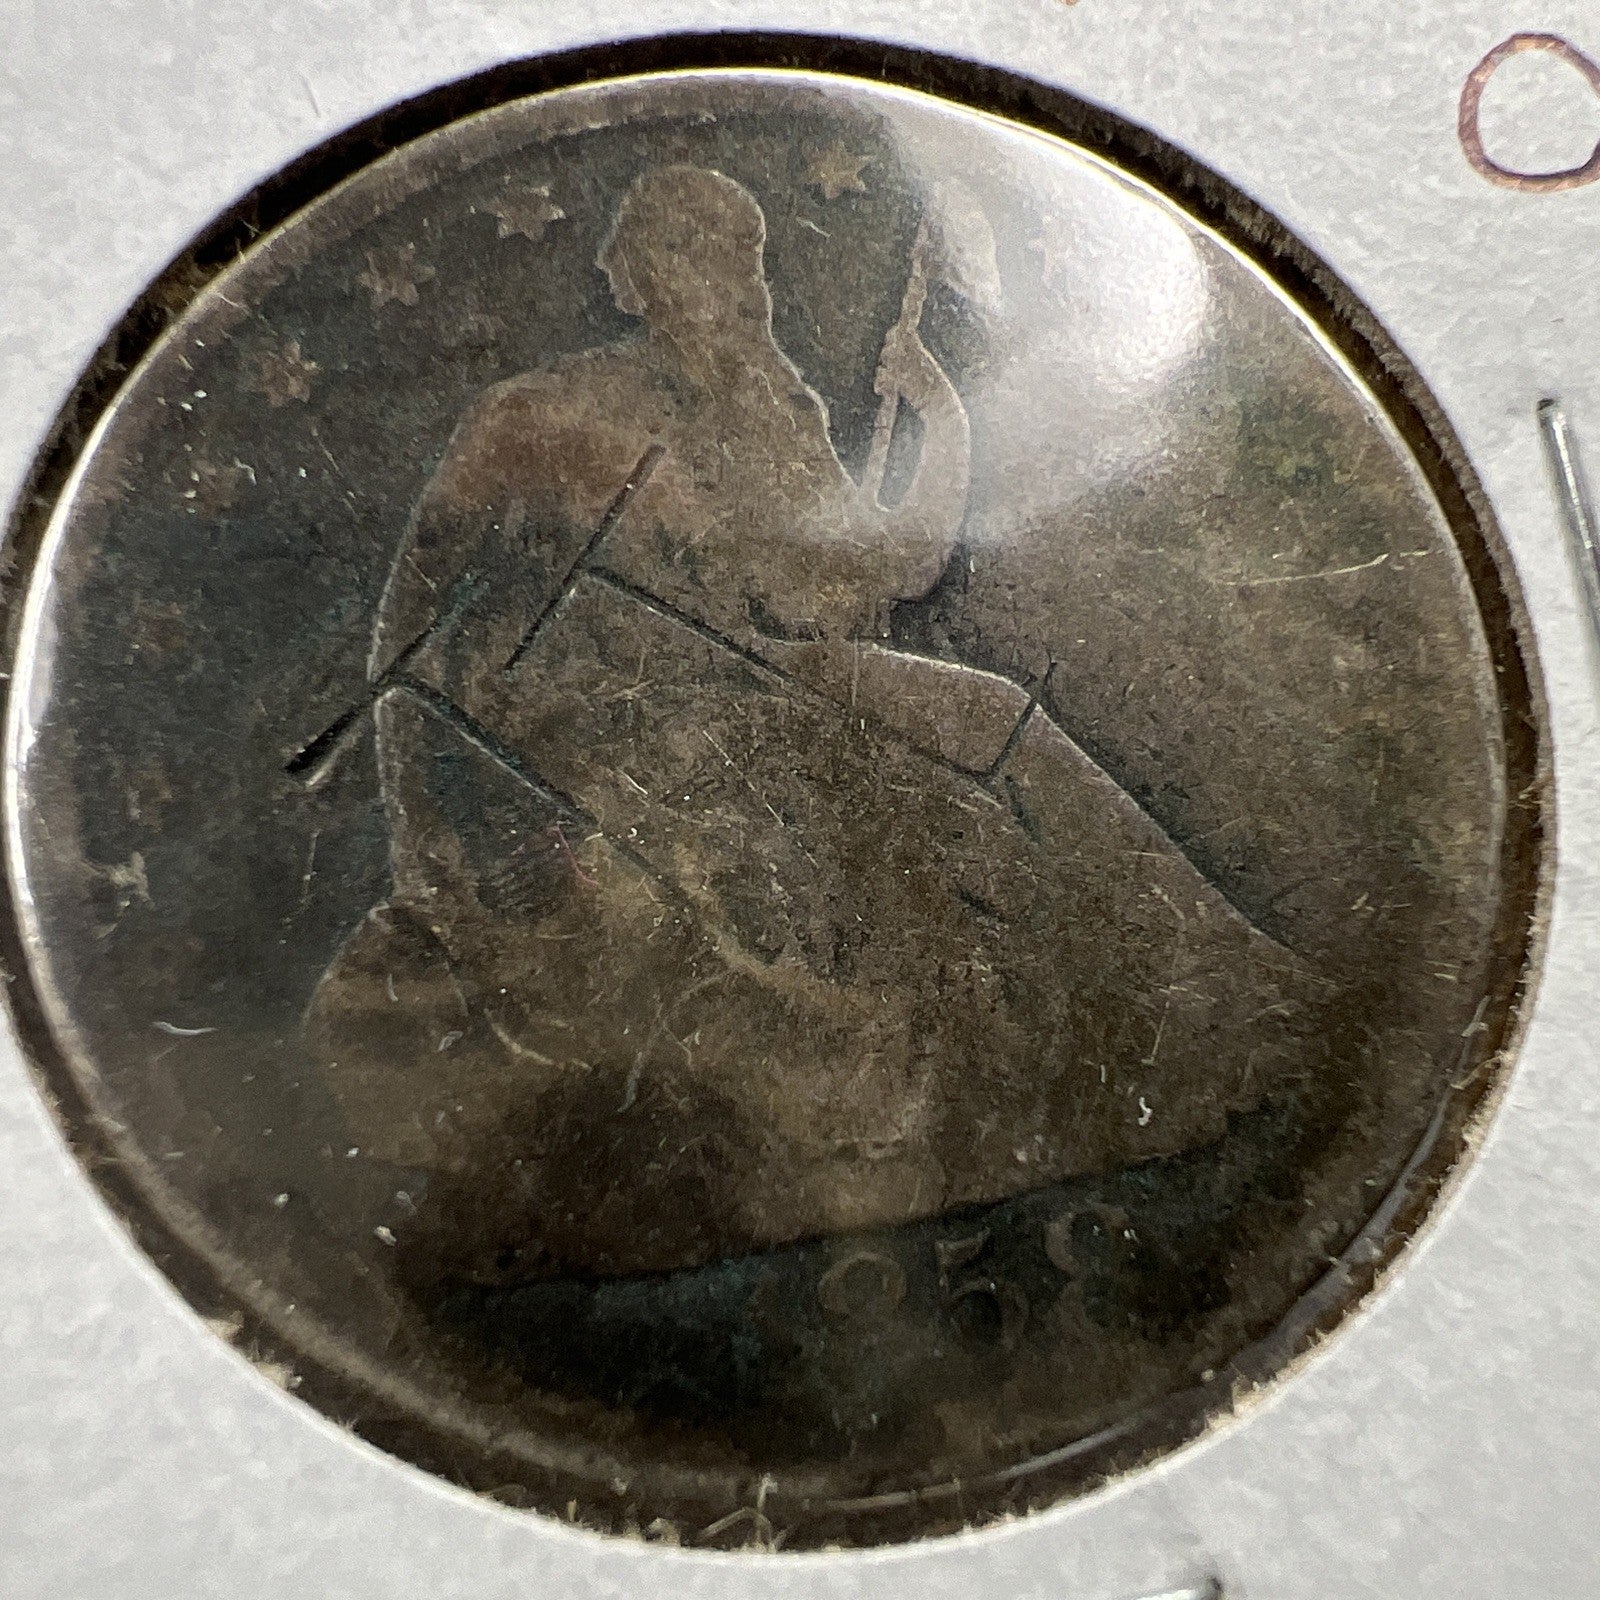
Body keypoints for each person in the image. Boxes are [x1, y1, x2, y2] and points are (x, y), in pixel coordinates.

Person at [306, 165, 1323, 1287]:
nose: (735, 283)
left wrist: (940, 419)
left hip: (745, 680)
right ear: (632, 278)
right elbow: (416, 631)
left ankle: (1226, 991)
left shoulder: (769, 407)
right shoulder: (536, 415)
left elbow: (879, 574)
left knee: (990, 710)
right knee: (861, 808)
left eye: (743, 253)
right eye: (694, 252)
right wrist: (440, 839)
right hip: (591, 733)